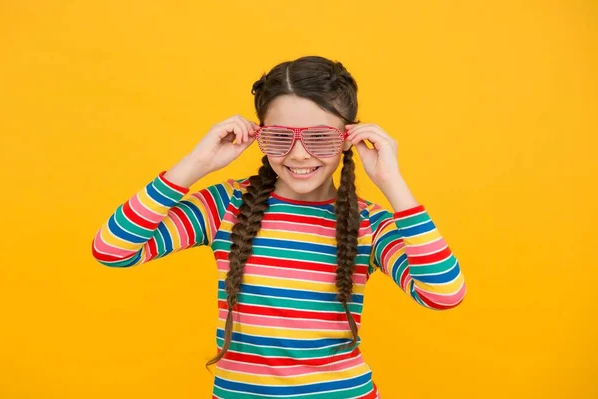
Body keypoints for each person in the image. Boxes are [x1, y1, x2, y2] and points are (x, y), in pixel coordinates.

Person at [91, 55, 466, 398]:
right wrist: (195, 164)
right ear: (259, 136)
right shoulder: (225, 206)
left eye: (320, 137)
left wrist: (392, 182)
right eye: (279, 137)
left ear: (349, 138)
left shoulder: (369, 223)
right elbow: (112, 250)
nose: (299, 154)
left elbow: (444, 294)